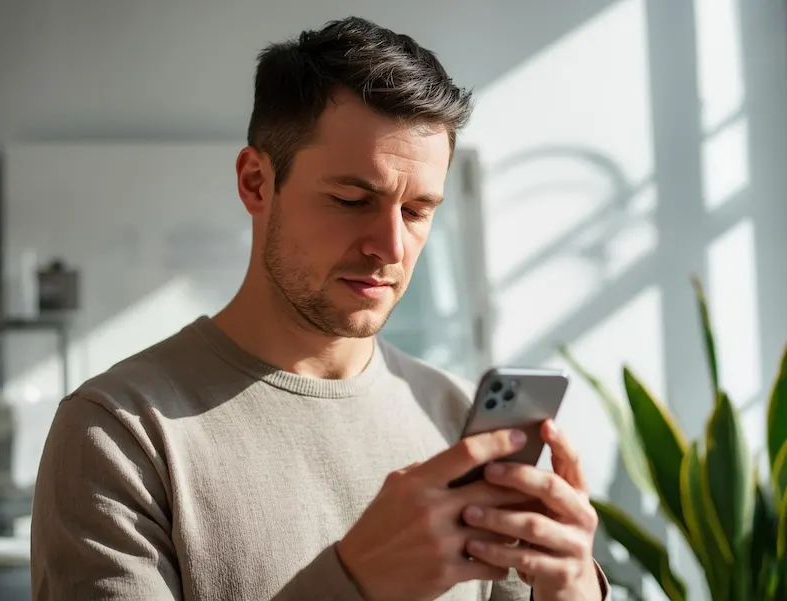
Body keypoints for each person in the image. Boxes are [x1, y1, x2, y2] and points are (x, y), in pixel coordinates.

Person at [30, 16, 610, 601]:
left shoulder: (457, 418)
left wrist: (574, 590)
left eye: (417, 211)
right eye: (352, 199)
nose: (391, 247)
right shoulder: (118, 433)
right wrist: (357, 581)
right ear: (257, 182)